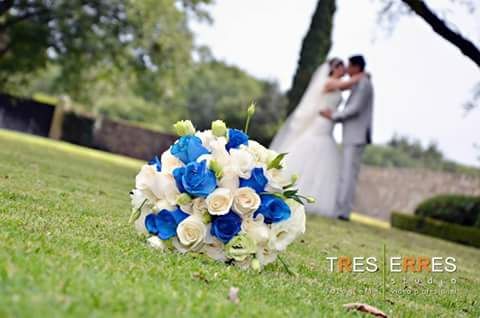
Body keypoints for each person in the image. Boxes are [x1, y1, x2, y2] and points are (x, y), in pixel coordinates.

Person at [270, 57, 364, 217]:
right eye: (340, 67)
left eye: (344, 67)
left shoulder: (336, 86)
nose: (343, 70)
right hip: (320, 124)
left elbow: (346, 87)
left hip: (329, 125)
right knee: (311, 152)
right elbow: (346, 84)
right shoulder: (329, 83)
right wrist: (362, 75)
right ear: (333, 69)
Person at [320, 55, 374, 221]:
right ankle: (342, 210)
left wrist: (333, 115)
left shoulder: (363, 83)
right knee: (347, 174)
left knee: (349, 175)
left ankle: (343, 212)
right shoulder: (361, 81)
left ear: (356, 67)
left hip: (355, 136)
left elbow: (354, 109)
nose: (347, 70)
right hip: (352, 135)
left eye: (349, 67)